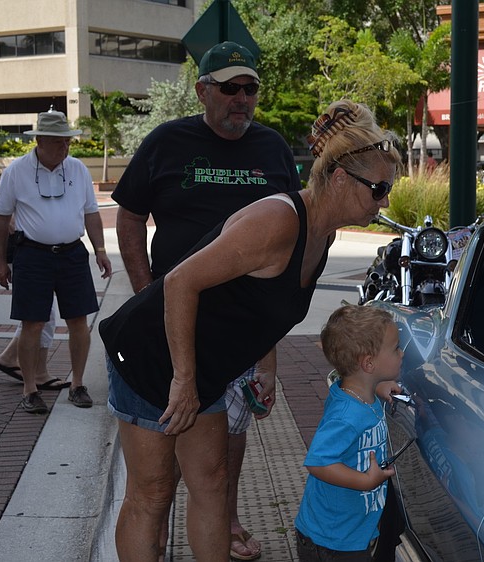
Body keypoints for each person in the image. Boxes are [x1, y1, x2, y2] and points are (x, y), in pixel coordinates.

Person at [99, 99, 401, 562]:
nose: (384, 202)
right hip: (151, 355)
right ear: (340, 178)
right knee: (153, 494)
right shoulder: (278, 220)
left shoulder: (324, 233)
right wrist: (182, 380)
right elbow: (179, 282)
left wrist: (266, 362)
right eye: (379, 189)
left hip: (203, 367)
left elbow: (264, 308)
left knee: (214, 484)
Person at [111, 40, 299, 561]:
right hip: (168, 334)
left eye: (250, 88)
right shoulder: (168, 142)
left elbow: (291, 245)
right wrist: (147, 289)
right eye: (230, 88)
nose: (241, 98)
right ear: (202, 90)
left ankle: (230, 524)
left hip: (236, 337)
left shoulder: (273, 149)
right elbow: (128, 215)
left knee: (215, 472)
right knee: (153, 487)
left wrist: (269, 355)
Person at [0, 109, 112, 414]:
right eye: (59, 142)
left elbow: (91, 213)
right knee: (32, 323)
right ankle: (29, 388)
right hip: (32, 254)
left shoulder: (78, 169)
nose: (66, 148)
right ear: (40, 140)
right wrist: (0, 263)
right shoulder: (16, 171)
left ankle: (78, 384)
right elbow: (1, 219)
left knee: (79, 322)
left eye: (68, 142)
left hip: (72, 254)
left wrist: (100, 249)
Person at [294, 305, 403, 561]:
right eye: (396, 348)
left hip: (351, 532)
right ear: (368, 362)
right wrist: (365, 481)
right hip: (331, 540)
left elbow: (346, 379)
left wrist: (378, 383)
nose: (402, 352)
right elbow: (318, 462)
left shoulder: (359, 391)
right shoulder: (347, 416)